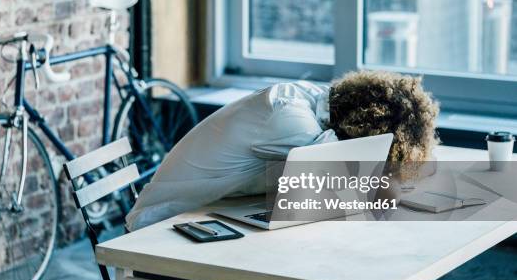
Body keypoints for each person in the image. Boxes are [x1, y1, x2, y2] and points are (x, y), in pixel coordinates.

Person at [126, 70, 439, 231]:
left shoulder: (321, 103)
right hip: (162, 231)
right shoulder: (288, 118)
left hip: (212, 213)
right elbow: (355, 186)